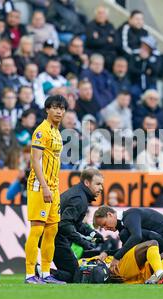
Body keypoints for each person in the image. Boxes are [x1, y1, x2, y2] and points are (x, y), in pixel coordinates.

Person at [24, 95, 67, 285]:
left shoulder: (57, 132)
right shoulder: (41, 131)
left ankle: (46, 272)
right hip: (39, 186)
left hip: (54, 187)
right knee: (37, 230)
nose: (59, 111)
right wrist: (44, 186)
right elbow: (35, 161)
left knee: (52, 230)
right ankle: (29, 274)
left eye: (62, 108)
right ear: (47, 109)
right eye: (55, 107)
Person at [93, 206, 163, 284]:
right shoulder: (127, 220)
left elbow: (137, 237)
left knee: (127, 235)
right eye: (102, 227)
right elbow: (127, 249)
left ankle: (158, 273)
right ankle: (162, 274)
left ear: (110, 215)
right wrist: (108, 252)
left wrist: (117, 257)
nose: (105, 229)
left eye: (104, 224)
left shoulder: (129, 215)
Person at [52, 168, 104, 283]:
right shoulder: (80, 199)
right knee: (74, 274)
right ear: (87, 183)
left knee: (70, 272)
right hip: (54, 236)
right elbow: (65, 224)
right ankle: (41, 271)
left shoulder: (79, 194)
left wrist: (93, 233)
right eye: (98, 184)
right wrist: (84, 243)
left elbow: (76, 223)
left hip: (55, 234)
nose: (101, 188)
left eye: (102, 184)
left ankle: (44, 272)